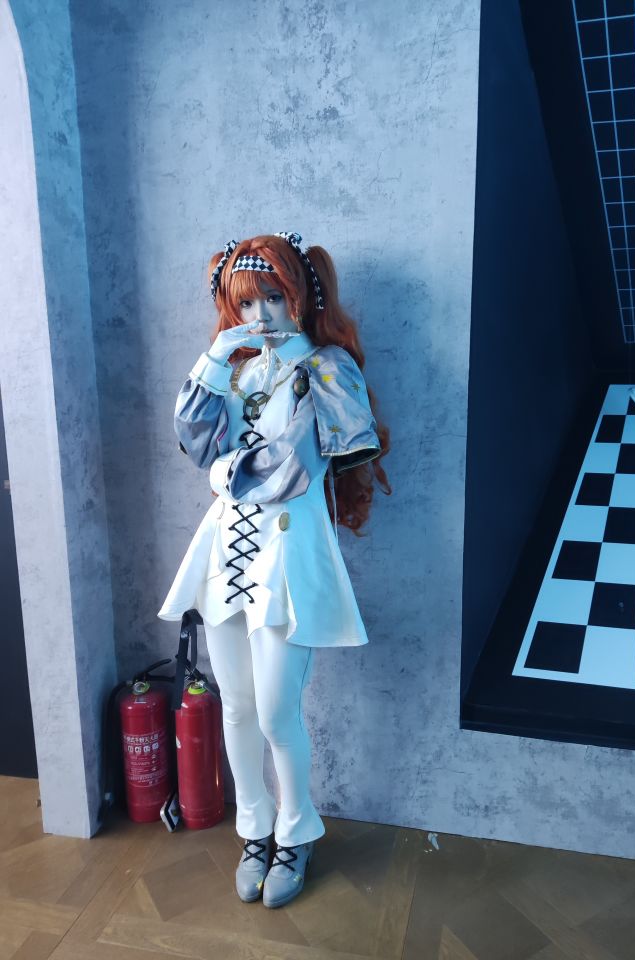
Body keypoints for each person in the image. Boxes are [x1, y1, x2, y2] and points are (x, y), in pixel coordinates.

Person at [158, 231, 391, 908]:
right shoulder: (236, 373)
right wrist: (213, 358)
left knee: (276, 712)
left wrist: (222, 473)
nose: (259, 314)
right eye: (245, 302)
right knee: (235, 706)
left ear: (300, 296)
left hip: (287, 559)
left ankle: (296, 832)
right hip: (226, 555)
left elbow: (286, 469)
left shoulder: (326, 370)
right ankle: (254, 829)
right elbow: (191, 439)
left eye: (271, 297)